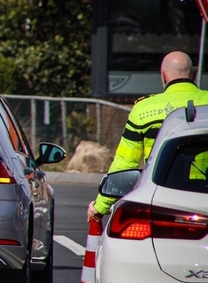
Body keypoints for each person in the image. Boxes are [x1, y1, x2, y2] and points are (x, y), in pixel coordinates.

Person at [88, 51, 208, 221]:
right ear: (195, 75)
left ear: (163, 76)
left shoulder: (143, 109)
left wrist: (100, 206)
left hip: (162, 198)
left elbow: (125, 163)